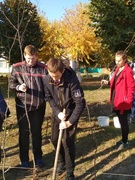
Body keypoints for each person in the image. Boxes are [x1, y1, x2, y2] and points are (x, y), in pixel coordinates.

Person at [44, 58, 86, 180]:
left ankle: (70, 172)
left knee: (67, 142)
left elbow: (80, 104)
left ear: (62, 71)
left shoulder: (72, 80)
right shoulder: (47, 79)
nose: (55, 79)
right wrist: (58, 113)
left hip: (71, 113)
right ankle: (61, 163)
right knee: (54, 139)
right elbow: (49, 97)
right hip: (58, 114)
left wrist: (69, 122)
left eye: (57, 77)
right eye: (53, 76)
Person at [9, 45, 48, 168]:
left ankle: (38, 157)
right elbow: (11, 83)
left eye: (33, 58)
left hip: (38, 106)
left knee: (36, 132)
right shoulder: (17, 68)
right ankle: (24, 159)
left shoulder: (43, 69)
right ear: (24, 56)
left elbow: (48, 85)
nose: (31, 61)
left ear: (37, 56)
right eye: (28, 58)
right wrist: (19, 87)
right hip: (22, 105)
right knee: (24, 133)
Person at [101, 50, 134, 149]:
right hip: (117, 99)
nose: (117, 62)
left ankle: (125, 141)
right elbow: (114, 82)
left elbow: (131, 87)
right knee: (121, 120)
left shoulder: (128, 71)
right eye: (116, 60)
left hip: (123, 101)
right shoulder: (118, 69)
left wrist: (128, 101)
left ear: (124, 59)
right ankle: (123, 139)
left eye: (119, 61)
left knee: (124, 122)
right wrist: (107, 82)